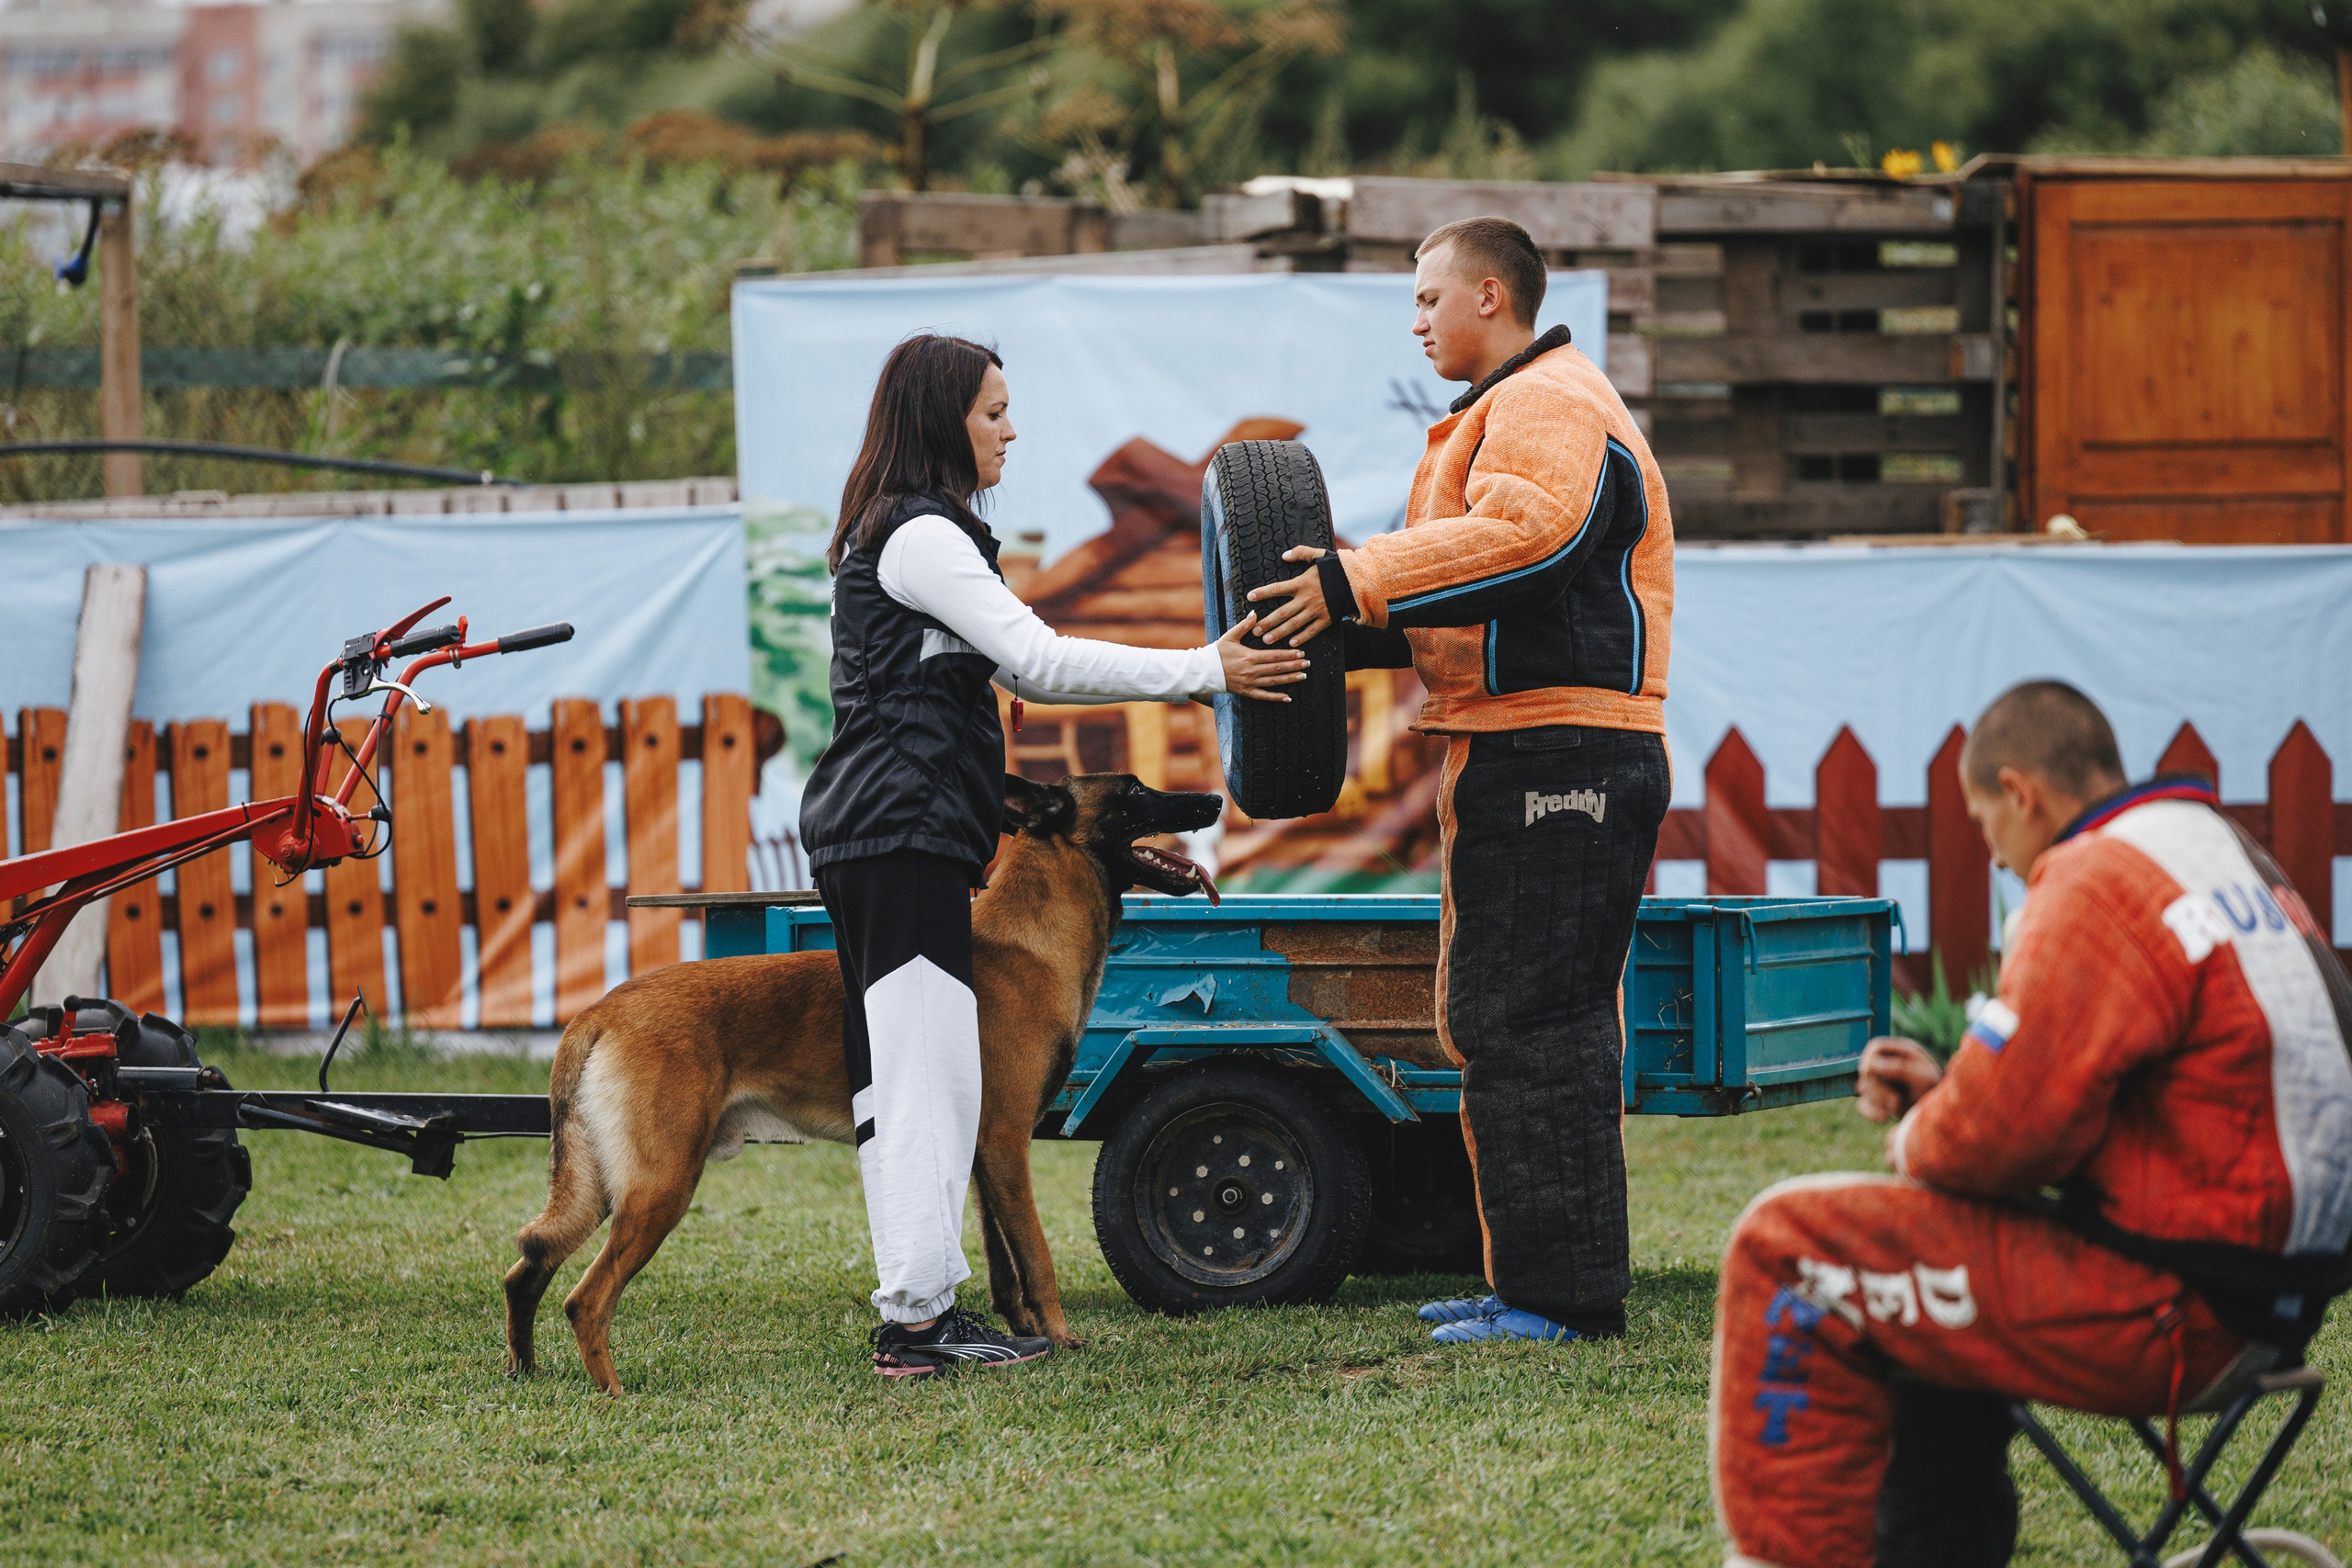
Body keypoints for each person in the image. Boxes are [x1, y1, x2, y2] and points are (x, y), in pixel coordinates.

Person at [1710, 681, 2352, 1568]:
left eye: (1982, 826)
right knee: (1929, 1265)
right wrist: (1956, 1089)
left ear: (2021, 793)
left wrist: (1919, 1128)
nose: (1998, 858)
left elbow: (1989, 1143)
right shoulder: (2225, 851)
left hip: (2178, 1313)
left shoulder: (2094, 875)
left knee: (1785, 1244)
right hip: (2277, 1299)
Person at [798, 333, 1306, 1378]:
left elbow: (1000, 665)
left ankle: (923, 1315)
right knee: (918, 1079)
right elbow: (1039, 655)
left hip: (897, 835)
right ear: (945, 420)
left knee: (920, 1079)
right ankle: (918, 1326)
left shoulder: (907, 536)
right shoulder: (919, 535)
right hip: (892, 835)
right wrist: (1206, 667)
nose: (1010, 430)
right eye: (992, 412)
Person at [1247, 216, 1675, 1345]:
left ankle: (1561, 1301)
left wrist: (1359, 578)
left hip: (1564, 753)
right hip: (1523, 746)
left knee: (1534, 1021)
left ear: (1493, 295)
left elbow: (1529, 542)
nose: (1420, 322)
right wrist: (1333, 615)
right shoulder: (1509, 408)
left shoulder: (1549, 404)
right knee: (1504, 1015)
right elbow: (1473, 594)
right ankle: (1530, 1280)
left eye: (1430, 299)